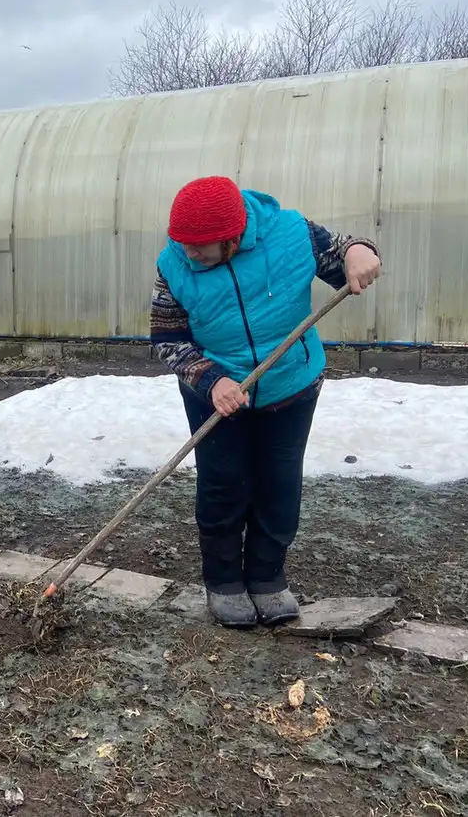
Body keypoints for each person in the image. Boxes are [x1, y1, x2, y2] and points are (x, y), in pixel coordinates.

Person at [150, 176, 382, 630]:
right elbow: (168, 338)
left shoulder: (292, 233)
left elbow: (345, 256)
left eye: (201, 246)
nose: (189, 253)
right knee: (223, 484)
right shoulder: (173, 263)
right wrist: (211, 380)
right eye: (183, 243)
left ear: (233, 238)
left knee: (278, 483)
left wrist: (360, 251)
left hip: (289, 386)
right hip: (215, 393)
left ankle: (267, 577)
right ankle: (222, 582)